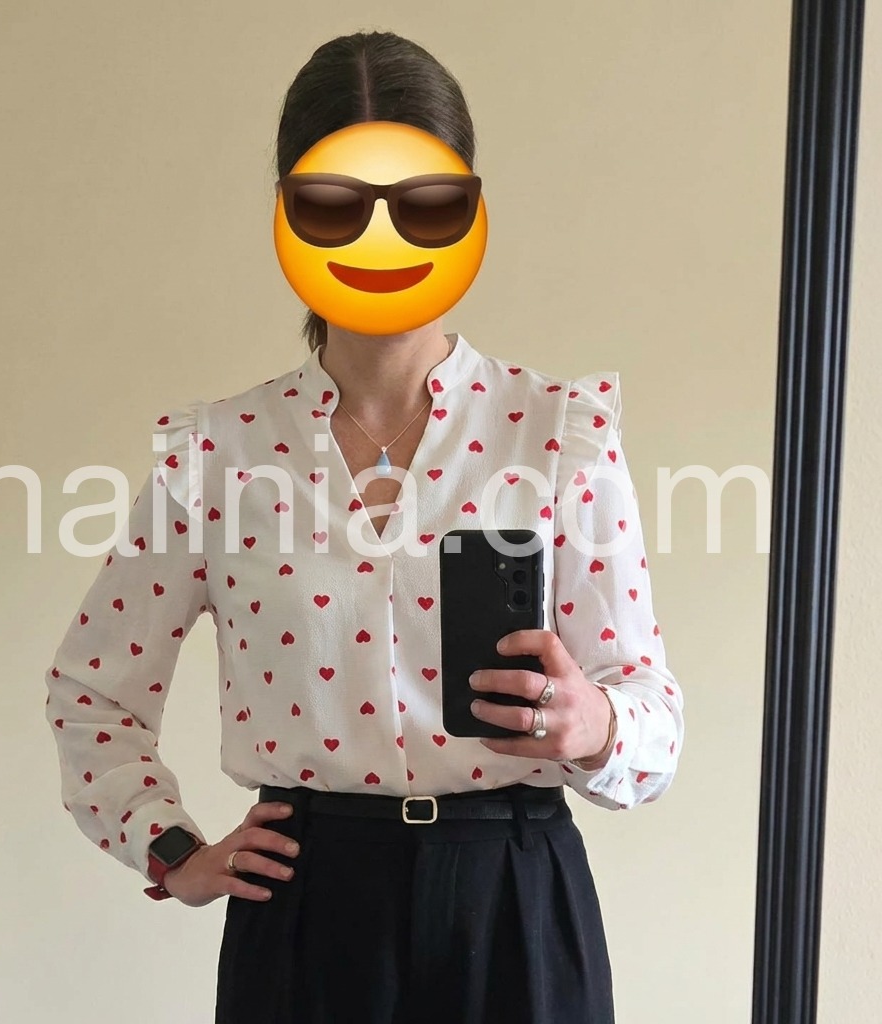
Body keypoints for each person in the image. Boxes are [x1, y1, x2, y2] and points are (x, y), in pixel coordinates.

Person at [44, 29, 684, 1024]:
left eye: (423, 204)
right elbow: (93, 689)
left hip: (513, 899)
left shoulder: (559, 434)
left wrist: (592, 724)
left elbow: (654, 721)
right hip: (307, 907)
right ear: (291, 217)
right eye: (337, 205)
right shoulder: (216, 454)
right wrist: (171, 848)